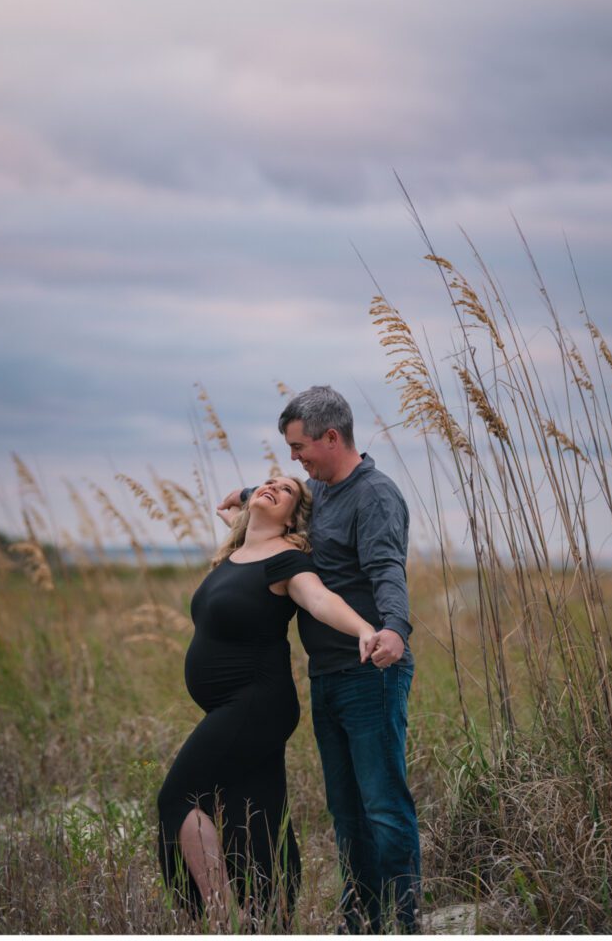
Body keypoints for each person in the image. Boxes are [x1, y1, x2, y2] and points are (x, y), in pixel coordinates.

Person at [219, 385, 420, 934]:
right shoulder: (323, 487)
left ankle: (405, 924)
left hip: (371, 670)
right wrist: (244, 493)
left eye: (300, 446)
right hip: (328, 673)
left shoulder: (374, 494)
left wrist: (394, 630)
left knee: (382, 806)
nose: (294, 458)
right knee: (346, 813)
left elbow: (386, 571)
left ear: (332, 438)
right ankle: (360, 923)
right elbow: (290, 491)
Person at [157, 473, 378, 931]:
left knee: (179, 798)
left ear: (295, 519)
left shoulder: (286, 560)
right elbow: (237, 506)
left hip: (256, 703)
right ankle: (269, 924)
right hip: (237, 707)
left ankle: (222, 920)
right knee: (256, 820)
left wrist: (363, 629)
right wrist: (246, 505)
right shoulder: (235, 555)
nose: (272, 487)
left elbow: (318, 600)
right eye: (267, 482)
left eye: (287, 491)